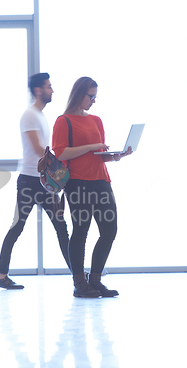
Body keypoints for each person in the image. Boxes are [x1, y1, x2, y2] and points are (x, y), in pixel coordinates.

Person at [52, 77, 132, 298]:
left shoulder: (96, 120)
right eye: (91, 96)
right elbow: (60, 153)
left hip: (100, 180)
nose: (94, 101)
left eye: (95, 96)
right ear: (79, 94)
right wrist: (91, 146)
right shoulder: (63, 121)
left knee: (109, 230)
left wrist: (116, 156)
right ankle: (80, 283)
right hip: (77, 183)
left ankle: (95, 280)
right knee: (80, 232)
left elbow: (97, 156)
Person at [0, 73, 71, 289]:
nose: (52, 90)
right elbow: (38, 149)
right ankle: (0, 276)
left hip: (44, 182)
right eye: (49, 86)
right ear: (38, 90)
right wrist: (60, 167)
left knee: (61, 227)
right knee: (17, 227)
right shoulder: (29, 115)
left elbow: (43, 150)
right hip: (30, 181)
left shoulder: (40, 115)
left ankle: (77, 275)